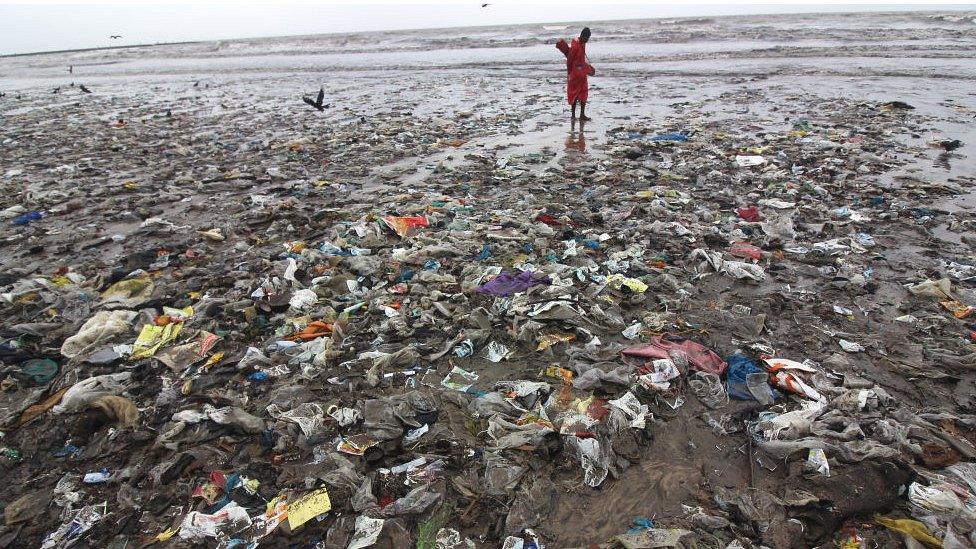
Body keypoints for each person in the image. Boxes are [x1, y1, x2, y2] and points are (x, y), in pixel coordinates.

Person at [556, 27, 595, 121]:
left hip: (582, 74)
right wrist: (569, 73)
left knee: (584, 93)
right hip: (575, 74)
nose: (587, 40)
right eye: (586, 38)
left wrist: (589, 69)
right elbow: (569, 60)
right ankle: (573, 115)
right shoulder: (575, 46)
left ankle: (582, 114)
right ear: (582, 36)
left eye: (588, 38)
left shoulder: (582, 44)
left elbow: (582, 60)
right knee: (574, 94)